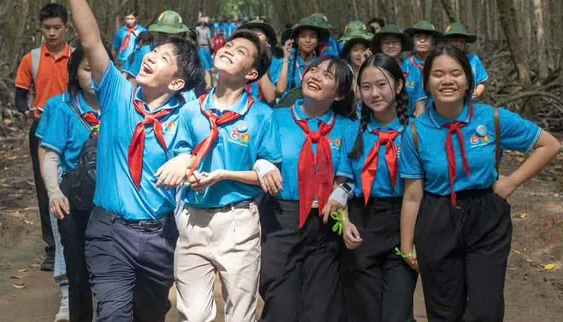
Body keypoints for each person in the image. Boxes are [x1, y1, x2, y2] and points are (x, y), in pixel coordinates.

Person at [47, 0, 201, 322]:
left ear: (179, 83)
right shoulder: (117, 91)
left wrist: (185, 158)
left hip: (158, 237)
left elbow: (205, 148)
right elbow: (90, 40)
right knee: (113, 312)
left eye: (164, 58)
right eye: (154, 50)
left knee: (150, 314)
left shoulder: (188, 114)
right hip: (109, 231)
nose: (151, 55)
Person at [399, 45, 562, 321]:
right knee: (444, 311)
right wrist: (406, 245)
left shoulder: (492, 118)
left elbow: (549, 145)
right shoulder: (415, 131)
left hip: (487, 217)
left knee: (485, 309)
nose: (447, 80)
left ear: (468, 81)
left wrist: (510, 182)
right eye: (438, 74)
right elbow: (413, 195)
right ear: (427, 81)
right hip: (438, 218)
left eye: (455, 73)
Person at [156, 29, 280, 322]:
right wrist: (188, 171)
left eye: (239, 52)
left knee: (240, 312)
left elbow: (269, 172)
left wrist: (225, 175)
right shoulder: (191, 110)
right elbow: (183, 154)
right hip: (192, 220)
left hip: (237, 222)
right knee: (194, 314)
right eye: (229, 45)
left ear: (251, 74)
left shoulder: (261, 115)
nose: (228, 50)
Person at [257, 56, 358, 322]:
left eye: (327, 75)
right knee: (280, 304)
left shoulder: (348, 128)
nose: (315, 75)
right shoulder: (275, 118)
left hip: (325, 224)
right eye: (314, 69)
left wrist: (341, 193)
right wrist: (262, 165)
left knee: (321, 307)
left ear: (340, 93)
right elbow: (255, 154)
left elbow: (350, 176)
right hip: (281, 219)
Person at [327, 54, 416, 322]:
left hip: (404, 225)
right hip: (362, 224)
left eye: (382, 84)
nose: (374, 93)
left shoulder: (413, 132)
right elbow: (343, 184)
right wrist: (344, 224)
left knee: (397, 314)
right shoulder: (353, 132)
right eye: (366, 87)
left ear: (399, 86)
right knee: (364, 312)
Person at [37, 45, 102, 322]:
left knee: (108, 268)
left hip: (110, 201)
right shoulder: (60, 107)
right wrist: (53, 194)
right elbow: (50, 154)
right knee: (76, 269)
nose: (95, 77)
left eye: (100, 70)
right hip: (71, 200)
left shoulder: (123, 106)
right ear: (75, 73)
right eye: (88, 70)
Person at [15, 3, 73, 272]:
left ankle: (77, 243)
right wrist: (28, 111)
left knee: (76, 184)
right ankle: (52, 248)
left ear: (67, 28)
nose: (52, 33)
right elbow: (20, 96)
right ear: (40, 28)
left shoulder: (76, 57)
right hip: (41, 130)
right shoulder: (32, 59)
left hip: (75, 130)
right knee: (45, 188)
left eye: (57, 28)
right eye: (47, 28)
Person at [373, 24, 427, 117]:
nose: (390, 46)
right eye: (386, 42)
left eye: (395, 42)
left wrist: (416, 127)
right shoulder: (374, 71)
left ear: (402, 45)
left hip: (408, 124)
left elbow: (420, 104)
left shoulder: (414, 71)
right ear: (380, 46)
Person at [273, 14, 333, 97]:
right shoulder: (287, 63)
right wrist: (286, 59)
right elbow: (280, 90)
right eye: (303, 36)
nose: (307, 40)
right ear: (296, 40)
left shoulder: (323, 64)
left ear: (318, 41)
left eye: (312, 37)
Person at [403, 21, 444, 116]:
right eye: (418, 37)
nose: (422, 41)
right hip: (408, 119)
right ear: (413, 40)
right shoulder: (405, 65)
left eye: (426, 38)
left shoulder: (440, 64)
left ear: (433, 41)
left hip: (438, 118)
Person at [443, 22, 489, 100]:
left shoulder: (473, 59)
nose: (458, 44)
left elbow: (481, 82)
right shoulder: (441, 60)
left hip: (470, 104)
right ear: (448, 42)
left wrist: (477, 92)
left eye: (461, 41)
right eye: (455, 41)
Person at [239, 18, 280, 103]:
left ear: (267, 39)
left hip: (262, 113)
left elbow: (270, 98)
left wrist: (260, 64)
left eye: (258, 34)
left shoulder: (276, 63)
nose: (254, 38)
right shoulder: (237, 60)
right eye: (250, 35)